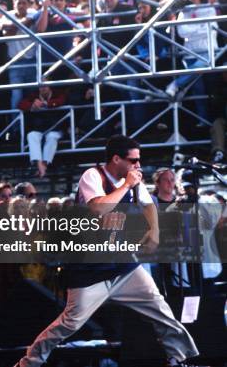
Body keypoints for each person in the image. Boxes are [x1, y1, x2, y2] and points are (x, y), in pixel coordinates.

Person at [13, 135, 199, 367]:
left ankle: (178, 359)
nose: (138, 166)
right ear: (116, 159)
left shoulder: (133, 181)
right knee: (70, 323)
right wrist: (126, 185)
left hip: (122, 264)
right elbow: (99, 208)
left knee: (159, 308)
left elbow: (148, 204)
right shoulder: (92, 176)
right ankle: (27, 363)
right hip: (91, 268)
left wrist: (155, 231)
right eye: (133, 160)